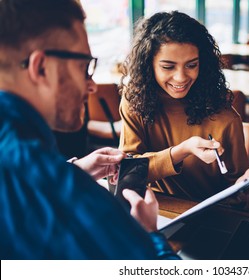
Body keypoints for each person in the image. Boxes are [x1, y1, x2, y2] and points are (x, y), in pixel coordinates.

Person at [0, 0, 179, 259]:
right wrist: (148, 235)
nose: (92, 86)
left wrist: (72, 170)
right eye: (85, 67)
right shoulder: (60, 191)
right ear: (41, 68)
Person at [119, 11, 249, 209]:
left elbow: (241, 196)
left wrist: (242, 192)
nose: (181, 78)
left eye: (192, 65)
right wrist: (182, 151)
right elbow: (127, 173)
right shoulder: (135, 101)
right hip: (156, 209)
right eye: (168, 67)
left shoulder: (225, 117)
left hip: (209, 215)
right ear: (149, 65)